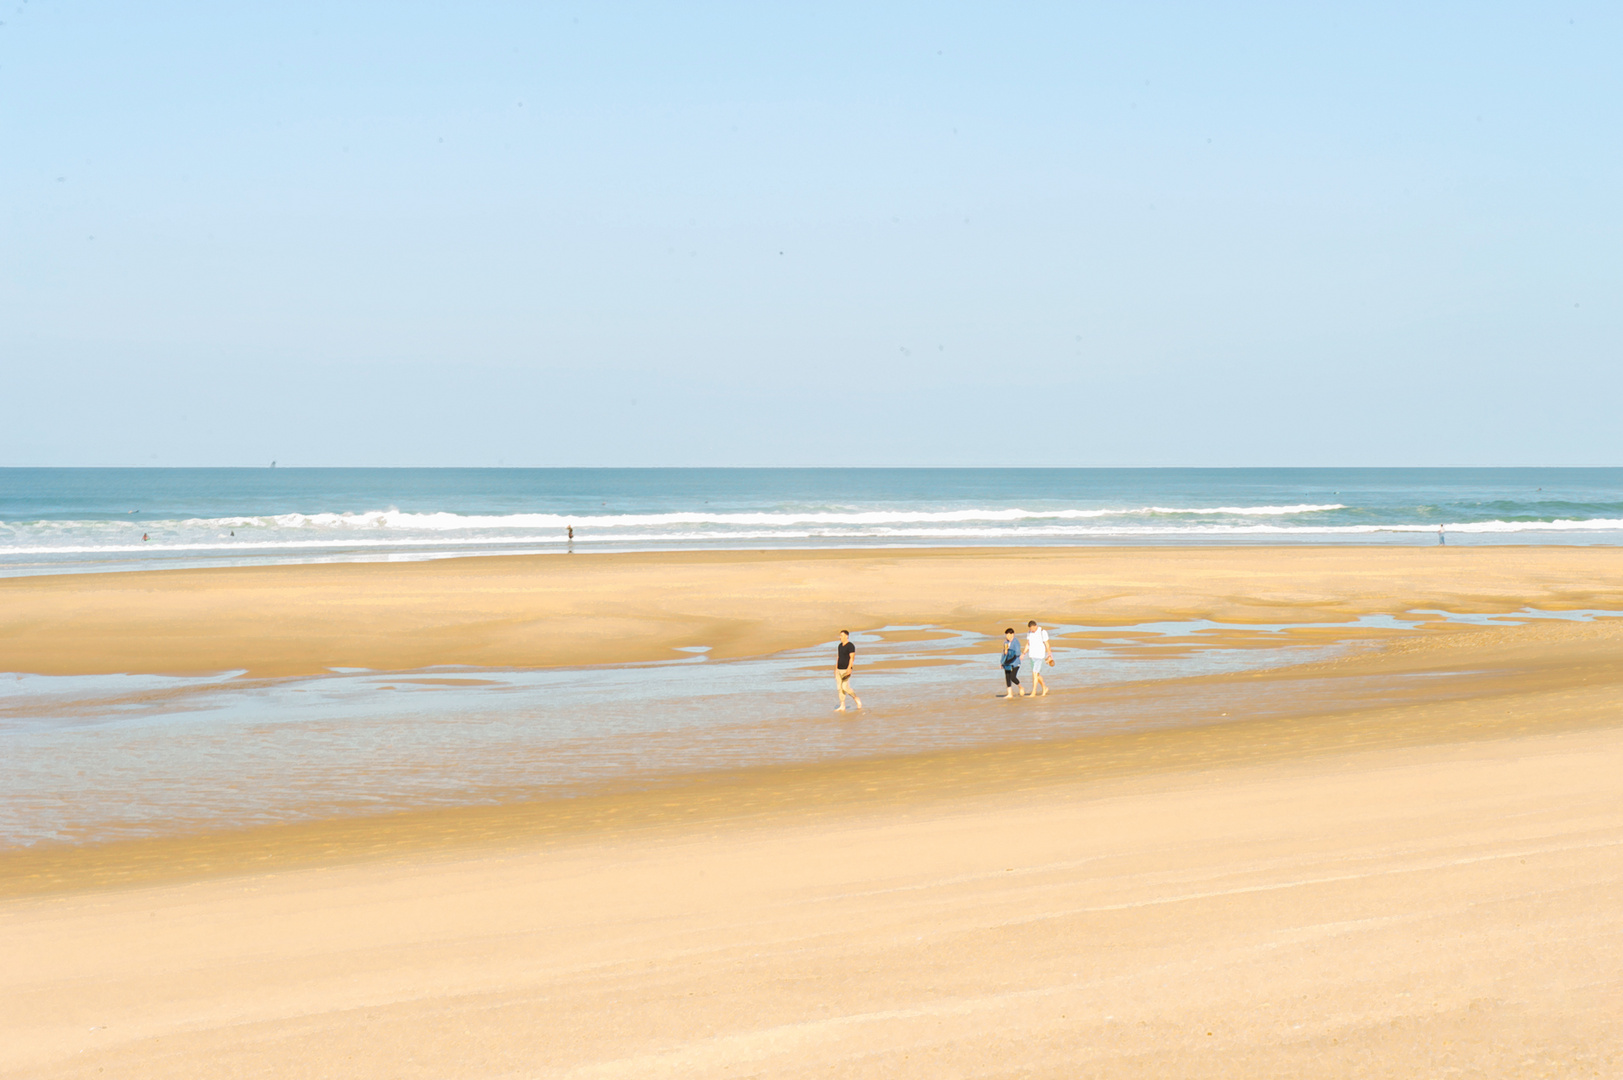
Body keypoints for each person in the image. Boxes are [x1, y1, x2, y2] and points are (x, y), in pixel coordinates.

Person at [1023, 619, 1052, 696]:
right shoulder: (1029, 633)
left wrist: (1049, 654)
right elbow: (1028, 644)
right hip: (1032, 655)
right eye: (1030, 629)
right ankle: (1044, 687)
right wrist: (1023, 653)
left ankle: (1034, 692)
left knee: (1034, 673)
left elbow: (1047, 644)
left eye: (1032, 628)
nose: (1031, 630)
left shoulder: (1042, 632)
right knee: (1037, 674)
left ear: (1036, 626)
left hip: (1039, 655)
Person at [835, 630, 862, 712]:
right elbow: (838, 657)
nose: (840, 637)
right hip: (839, 669)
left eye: (842, 635)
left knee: (845, 687)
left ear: (846, 636)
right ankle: (842, 705)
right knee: (840, 688)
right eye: (840, 635)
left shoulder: (850, 646)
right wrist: (836, 668)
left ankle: (855, 697)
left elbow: (852, 657)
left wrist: (849, 668)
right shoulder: (840, 645)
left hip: (846, 669)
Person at [999, 627, 1023, 698]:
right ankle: (1010, 694)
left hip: (1015, 662)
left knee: (1013, 677)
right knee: (1007, 676)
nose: (1007, 636)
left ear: (1012, 634)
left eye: (1008, 635)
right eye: (1006, 635)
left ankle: (1020, 687)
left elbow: (1017, 654)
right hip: (1007, 662)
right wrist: (1002, 662)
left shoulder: (1016, 642)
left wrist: (1010, 660)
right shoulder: (1005, 642)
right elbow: (1004, 653)